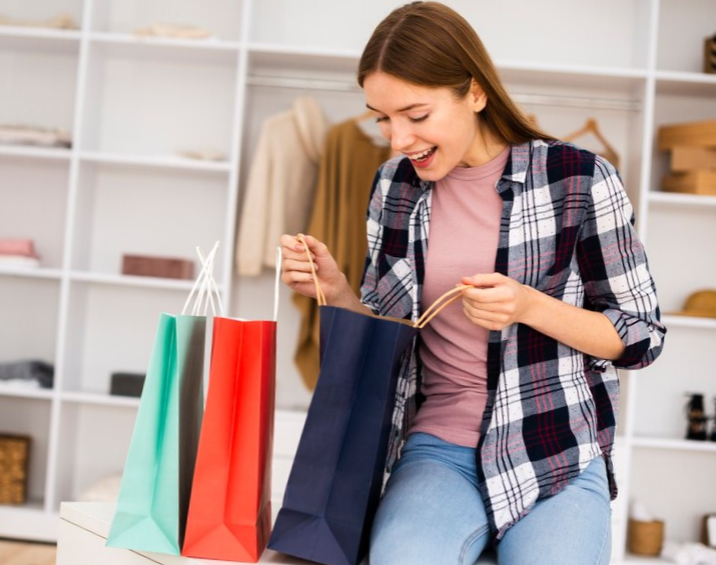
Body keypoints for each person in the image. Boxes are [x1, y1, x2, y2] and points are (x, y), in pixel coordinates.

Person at [279, 2, 666, 564]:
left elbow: (641, 336)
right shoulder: (396, 187)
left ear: (476, 93)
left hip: (553, 445)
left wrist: (530, 306)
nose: (396, 139)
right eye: (382, 117)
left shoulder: (580, 179)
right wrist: (336, 292)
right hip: (438, 448)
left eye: (416, 114)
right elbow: (392, 333)